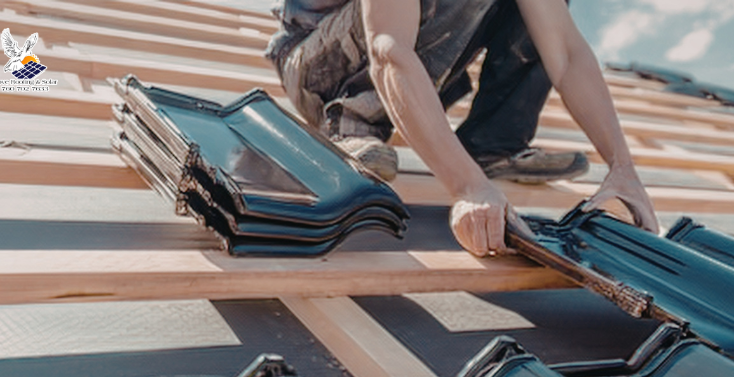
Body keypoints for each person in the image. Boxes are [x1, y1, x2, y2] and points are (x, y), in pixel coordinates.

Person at [267, 0, 659, 256]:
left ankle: (492, 145)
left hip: (408, 56)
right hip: (317, 64)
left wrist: (623, 168)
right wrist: (467, 187)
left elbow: (568, 54)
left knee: (544, 11)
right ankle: (351, 120)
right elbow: (389, 49)